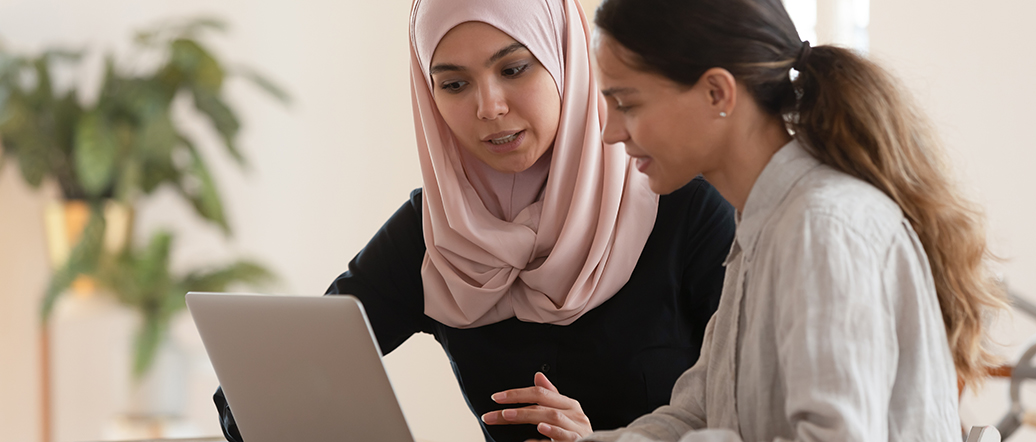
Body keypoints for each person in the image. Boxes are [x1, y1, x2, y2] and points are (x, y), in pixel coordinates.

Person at [213, 0, 736, 441]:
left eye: (513, 69)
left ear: (566, 60)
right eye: (455, 85)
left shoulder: (682, 206)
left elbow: (751, 415)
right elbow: (256, 391)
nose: (488, 107)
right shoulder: (438, 231)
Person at [577, 0, 1010, 441]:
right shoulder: (761, 223)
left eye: (626, 104)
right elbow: (698, 415)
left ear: (717, 93)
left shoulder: (821, 227)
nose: (611, 132)